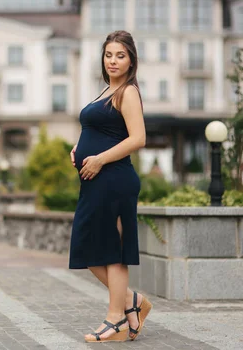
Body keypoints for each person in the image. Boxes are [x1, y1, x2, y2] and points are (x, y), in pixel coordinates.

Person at [69, 30, 152, 343]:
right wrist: (78, 150)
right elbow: (98, 129)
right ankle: (132, 302)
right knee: (88, 249)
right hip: (95, 183)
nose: (113, 61)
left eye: (120, 55)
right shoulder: (105, 91)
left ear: (131, 61)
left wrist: (100, 158)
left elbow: (137, 138)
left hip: (115, 180)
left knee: (112, 252)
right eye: (108, 55)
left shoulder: (127, 92)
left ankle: (116, 318)